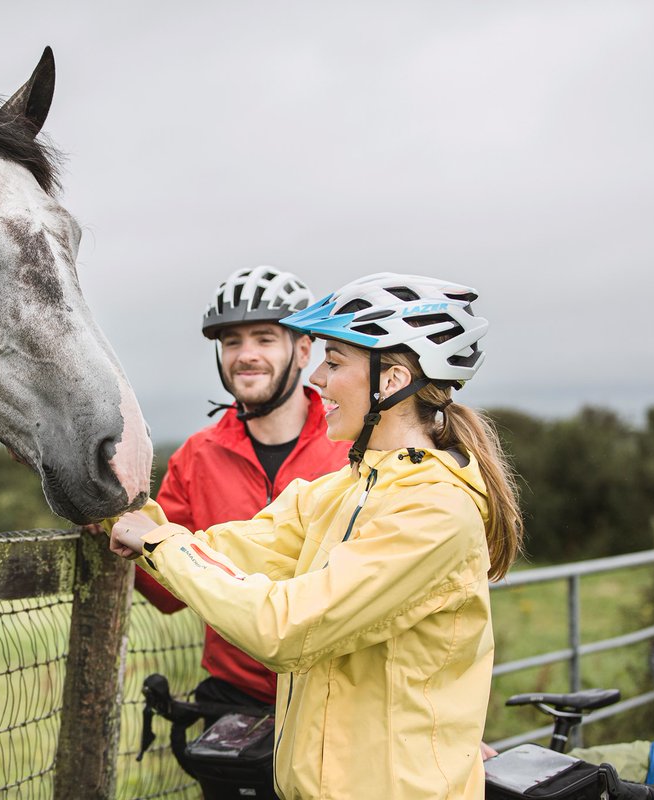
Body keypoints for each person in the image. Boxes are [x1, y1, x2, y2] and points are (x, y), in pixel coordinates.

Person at [108, 272, 524, 800]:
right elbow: (222, 547)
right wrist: (105, 492)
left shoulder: (434, 511)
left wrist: (159, 542)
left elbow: (284, 628)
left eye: (334, 362)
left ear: (392, 381)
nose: (319, 380)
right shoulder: (343, 488)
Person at [135, 265, 349, 717]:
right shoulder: (197, 456)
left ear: (303, 349)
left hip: (339, 699)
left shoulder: (353, 448)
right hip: (235, 700)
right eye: (232, 341)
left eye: (265, 338)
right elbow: (166, 594)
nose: (245, 354)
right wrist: (112, 518)